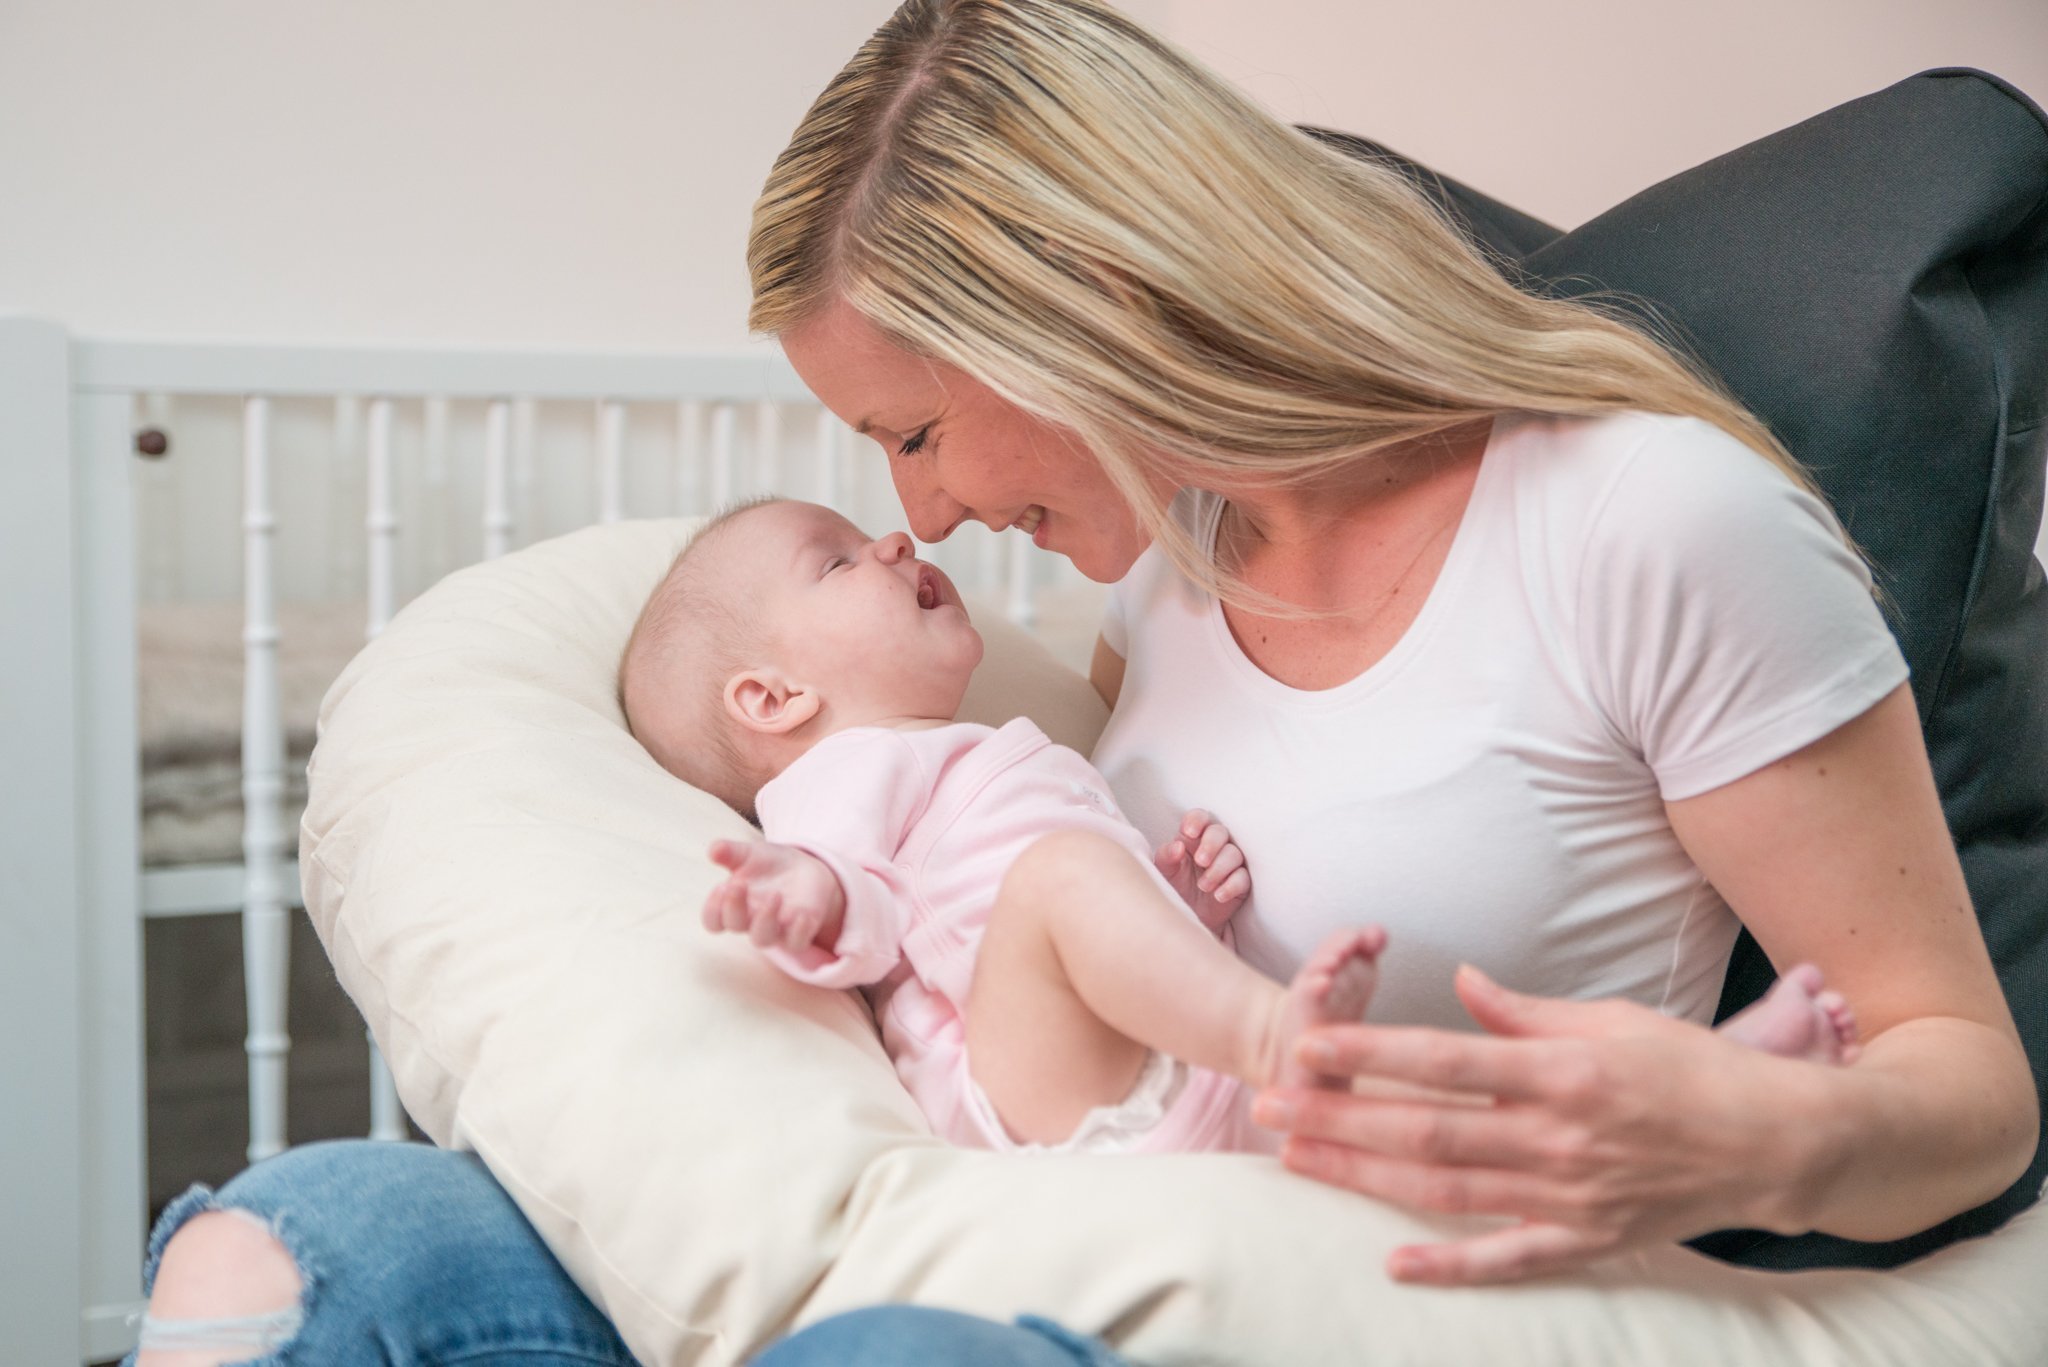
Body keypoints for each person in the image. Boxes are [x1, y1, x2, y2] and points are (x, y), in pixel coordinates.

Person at [124, 2, 2039, 1363]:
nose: (923, 513)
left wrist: (1757, 1133)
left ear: (1093, 302)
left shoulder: (1646, 522)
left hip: (1343, 1298)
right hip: (1088, 1213)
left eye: (917, 431)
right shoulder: (1172, 566)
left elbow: (1965, 1088)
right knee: (311, 1239)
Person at [619, 496, 1860, 1156]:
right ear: (772, 699)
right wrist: (804, 889)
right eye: (836, 560)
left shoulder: (972, 751)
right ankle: (1278, 1030)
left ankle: (1720, 1090)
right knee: (1059, 875)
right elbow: (868, 892)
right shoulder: (839, 775)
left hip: (1156, 1076)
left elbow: (1077, 930)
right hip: (1027, 1099)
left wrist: (1179, 906)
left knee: (1429, 1132)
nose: (894, 530)